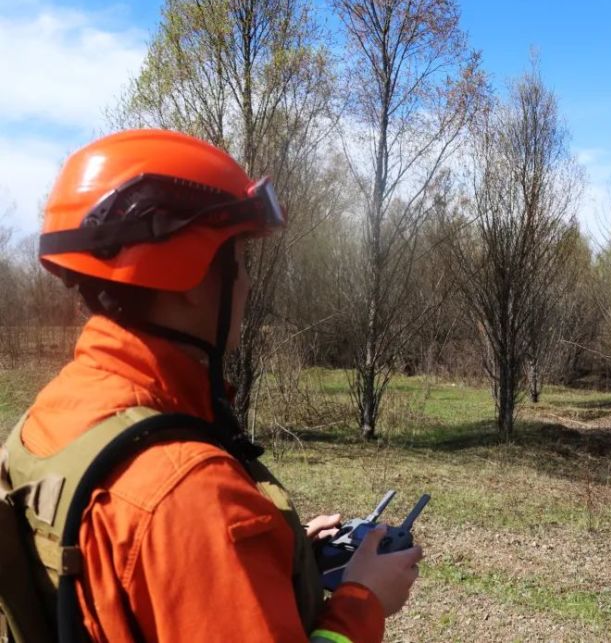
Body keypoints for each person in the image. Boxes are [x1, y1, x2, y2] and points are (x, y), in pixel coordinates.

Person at [4, 129, 421, 641]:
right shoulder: (192, 498)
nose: (245, 283)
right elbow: (180, 527)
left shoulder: (50, 421)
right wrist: (364, 601)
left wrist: (269, 560)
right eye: (238, 262)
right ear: (186, 278)